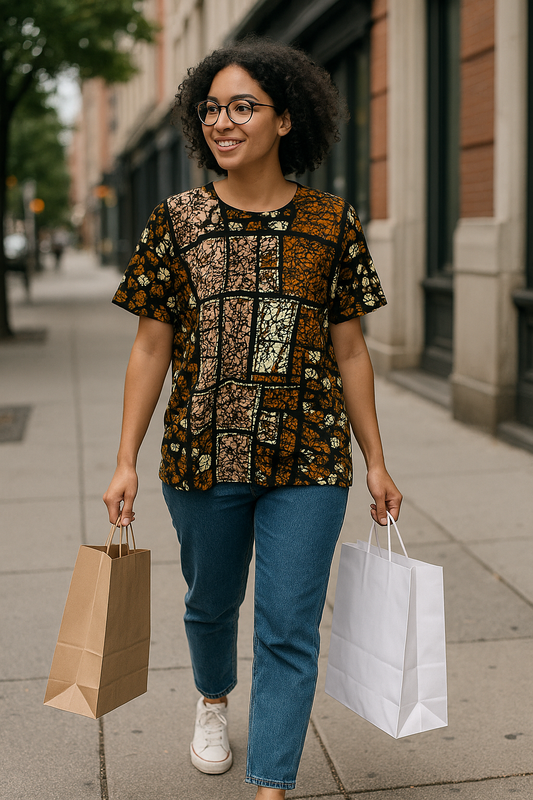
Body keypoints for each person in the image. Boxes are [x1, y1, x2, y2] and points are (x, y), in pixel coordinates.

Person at [103, 36, 402, 799]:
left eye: (243, 107)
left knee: (288, 628)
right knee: (209, 603)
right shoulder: (175, 222)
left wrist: (374, 458)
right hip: (202, 455)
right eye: (211, 108)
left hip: (309, 457)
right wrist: (125, 458)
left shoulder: (331, 223)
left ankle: (272, 782)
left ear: (286, 120)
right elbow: (149, 349)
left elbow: (352, 350)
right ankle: (211, 699)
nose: (222, 121)